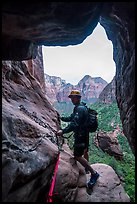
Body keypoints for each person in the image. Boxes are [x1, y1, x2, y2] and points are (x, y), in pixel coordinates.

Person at [56, 90, 99, 188]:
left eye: (73, 98)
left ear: (78, 98)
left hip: (81, 136)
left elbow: (74, 123)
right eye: (71, 98)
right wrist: (62, 118)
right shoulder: (81, 107)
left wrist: (63, 131)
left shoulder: (80, 109)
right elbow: (72, 117)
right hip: (85, 134)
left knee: (77, 156)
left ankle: (94, 173)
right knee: (85, 152)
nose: (71, 100)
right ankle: (87, 169)